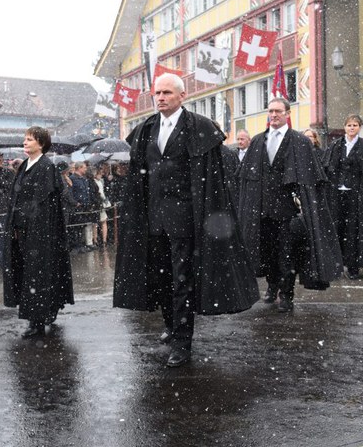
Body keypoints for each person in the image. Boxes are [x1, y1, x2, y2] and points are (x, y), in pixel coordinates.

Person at [114, 73, 259, 368]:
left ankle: (182, 342)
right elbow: (138, 178)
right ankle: (171, 325)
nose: (161, 97)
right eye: (157, 93)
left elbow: (212, 181)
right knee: (162, 277)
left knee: (182, 281)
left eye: (167, 92)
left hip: (185, 221)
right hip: (154, 220)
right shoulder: (146, 129)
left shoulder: (199, 129)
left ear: (182, 96)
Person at [238, 98, 343, 312]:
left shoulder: (299, 142)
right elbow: (246, 179)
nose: (274, 115)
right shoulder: (258, 141)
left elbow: (311, 179)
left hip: (287, 212)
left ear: (287, 113)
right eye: (270, 111)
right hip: (262, 210)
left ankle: (286, 294)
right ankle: (272, 286)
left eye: (278, 111)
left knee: (286, 255)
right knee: (266, 253)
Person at [3, 126, 73, 338]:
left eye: (30, 140)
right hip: (24, 231)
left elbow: (43, 204)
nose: (25, 143)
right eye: (24, 139)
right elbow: (17, 199)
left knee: (38, 275)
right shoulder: (25, 165)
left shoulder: (45, 167)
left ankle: (38, 320)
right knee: (27, 273)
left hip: (40, 234)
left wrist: (34, 228)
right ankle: (41, 314)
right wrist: (15, 226)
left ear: (41, 144)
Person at [323, 114, 363, 279]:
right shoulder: (335, 145)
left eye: (355, 125)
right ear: (344, 127)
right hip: (336, 194)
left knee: (353, 230)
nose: (352, 128)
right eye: (349, 125)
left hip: (356, 195)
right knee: (336, 228)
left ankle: (353, 266)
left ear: (359, 128)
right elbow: (326, 167)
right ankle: (337, 265)